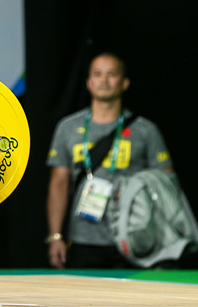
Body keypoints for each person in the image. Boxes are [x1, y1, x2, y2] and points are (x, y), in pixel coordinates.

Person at [45, 52, 174, 269]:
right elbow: (59, 183)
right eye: (97, 74)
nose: (104, 81)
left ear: (124, 83)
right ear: (88, 82)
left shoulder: (145, 130)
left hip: (132, 236)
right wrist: (55, 236)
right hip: (83, 238)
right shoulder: (67, 127)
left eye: (111, 74)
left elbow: (166, 182)